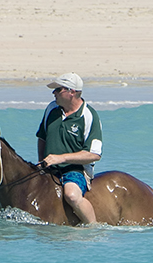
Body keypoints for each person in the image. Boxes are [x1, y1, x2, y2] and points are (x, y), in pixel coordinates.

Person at [35, 73, 103, 226]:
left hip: (76, 171)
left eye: (58, 90)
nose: (54, 93)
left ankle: (93, 227)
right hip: (49, 167)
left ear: (72, 92)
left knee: (71, 195)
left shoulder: (89, 115)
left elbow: (94, 154)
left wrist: (61, 158)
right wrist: (41, 160)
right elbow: (42, 137)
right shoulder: (51, 109)